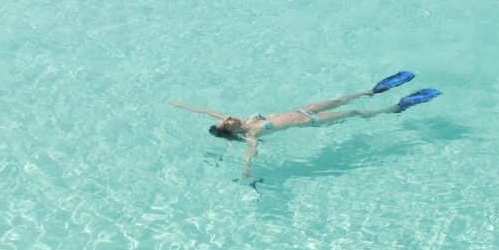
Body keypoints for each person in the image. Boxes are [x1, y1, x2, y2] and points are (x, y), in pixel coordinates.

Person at [170, 71, 441, 181]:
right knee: (355, 111)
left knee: (340, 99)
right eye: (226, 122)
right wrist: (247, 167)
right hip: (311, 121)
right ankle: (396, 108)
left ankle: (375, 90)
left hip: (303, 108)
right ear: (230, 131)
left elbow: (208, 111)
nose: (228, 117)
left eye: (225, 117)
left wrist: (183, 106)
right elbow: (251, 150)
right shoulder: (250, 132)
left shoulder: (244, 119)